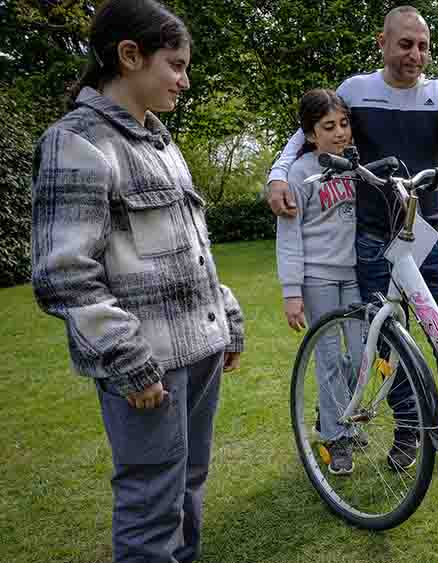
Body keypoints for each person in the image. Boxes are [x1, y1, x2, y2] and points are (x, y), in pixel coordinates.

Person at [30, 1, 245, 561]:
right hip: (147, 369)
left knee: (189, 484)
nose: (184, 79)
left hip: (199, 352)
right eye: (175, 64)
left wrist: (226, 316)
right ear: (130, 56)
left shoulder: (160, 139)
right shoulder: (76, 142)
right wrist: (128, 361)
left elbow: (188, 245)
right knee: (152, 502)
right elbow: (63, 275)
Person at [265, 6, 438, 470]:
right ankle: (409, 430)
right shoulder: (355, 90)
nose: (415, 54)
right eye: (405, 44)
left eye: (423, 46)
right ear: (382, 43)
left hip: (428, 232)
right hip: (373, 236)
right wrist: (277, 177)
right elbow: (300, 139)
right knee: (388, 340)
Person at [276, 88, 365, 476]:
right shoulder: (299, 173)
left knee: (361, 355)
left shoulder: (355, 166)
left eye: (344, 124)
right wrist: (291, 292)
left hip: (355, 275)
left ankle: (335, 412)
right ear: (311, 134)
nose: (340, 133)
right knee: (328, 358)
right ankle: (336, 438)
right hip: (317, 278)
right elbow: (289, 235)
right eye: (329, 126)